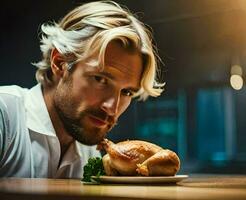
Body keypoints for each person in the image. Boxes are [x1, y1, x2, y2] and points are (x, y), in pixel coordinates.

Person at [0, 1, 163, 178]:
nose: (112, 108)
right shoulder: (4, 115)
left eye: (127, 92)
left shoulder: (90, 151)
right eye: (101, 79)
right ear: (60, 63)